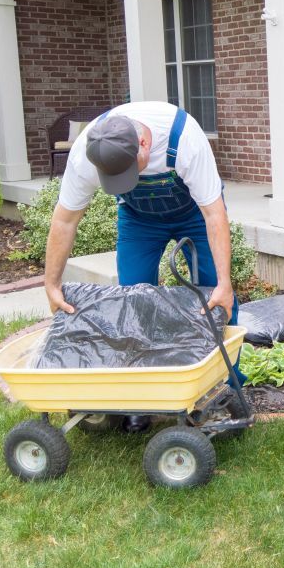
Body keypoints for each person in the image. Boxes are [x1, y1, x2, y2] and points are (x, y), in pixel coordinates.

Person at [44, 100, 236, 431]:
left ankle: (221, 391)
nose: (125, 180)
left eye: (129, 172)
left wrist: (224, 282)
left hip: (194, 214)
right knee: (132, 303)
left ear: (144, 144)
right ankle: (140, 398)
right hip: (138, 220)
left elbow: (213, 213)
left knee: (215, 300)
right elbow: (64, 222)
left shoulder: (184, 138)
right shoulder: (86, 155)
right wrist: (51, 283)